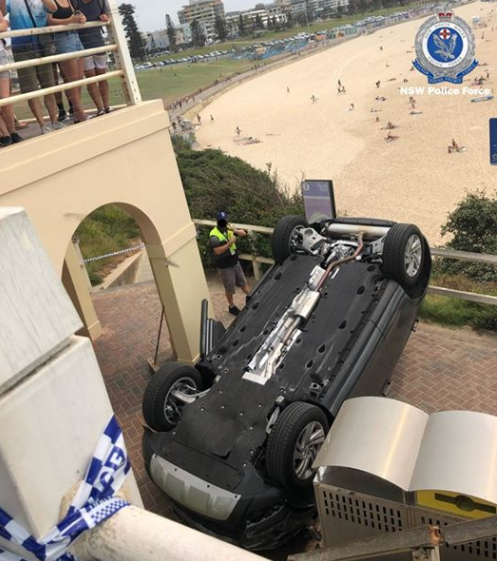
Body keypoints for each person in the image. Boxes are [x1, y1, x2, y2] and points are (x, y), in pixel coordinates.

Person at [1, 0, 61, 134]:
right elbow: (3, 12)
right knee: (31, 90)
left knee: (49, 87)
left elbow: (53, 8)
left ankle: (54, 121)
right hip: (22, 47)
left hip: (43, 43)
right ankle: (42, 125)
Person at [47, 0, 87, 123]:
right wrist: (69, 21)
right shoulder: (50, 2)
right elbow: (49, 20)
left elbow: (75, 14)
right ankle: (79, 113)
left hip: (75, 36)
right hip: (62, 38)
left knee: (79, 77)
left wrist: (82, 18)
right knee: (72, 79)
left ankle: (76, 111)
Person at [73, 0, 111, 116]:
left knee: (102, 75)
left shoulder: (100, 1)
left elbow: (108, 14)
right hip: (81, 42)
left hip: (98, 40)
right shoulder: (74, 3)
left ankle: (106, 106)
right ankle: (99, 108)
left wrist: (106, 17)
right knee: (90, 76)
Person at [209, 211, 250, 316]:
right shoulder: (214, 235)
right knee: (230, 289)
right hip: (224, 266)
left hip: (234, 261)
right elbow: (217, 251)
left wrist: (234, 230)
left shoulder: (229, 228)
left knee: (243, 283)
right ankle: (231, 306)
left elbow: (244, 233)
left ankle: (251, 297)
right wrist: (230, 243)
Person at [0, 11, 23, 145]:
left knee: (5, 98)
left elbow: (4, 24)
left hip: (0, 55)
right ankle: (6, 135)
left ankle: (13, 131)